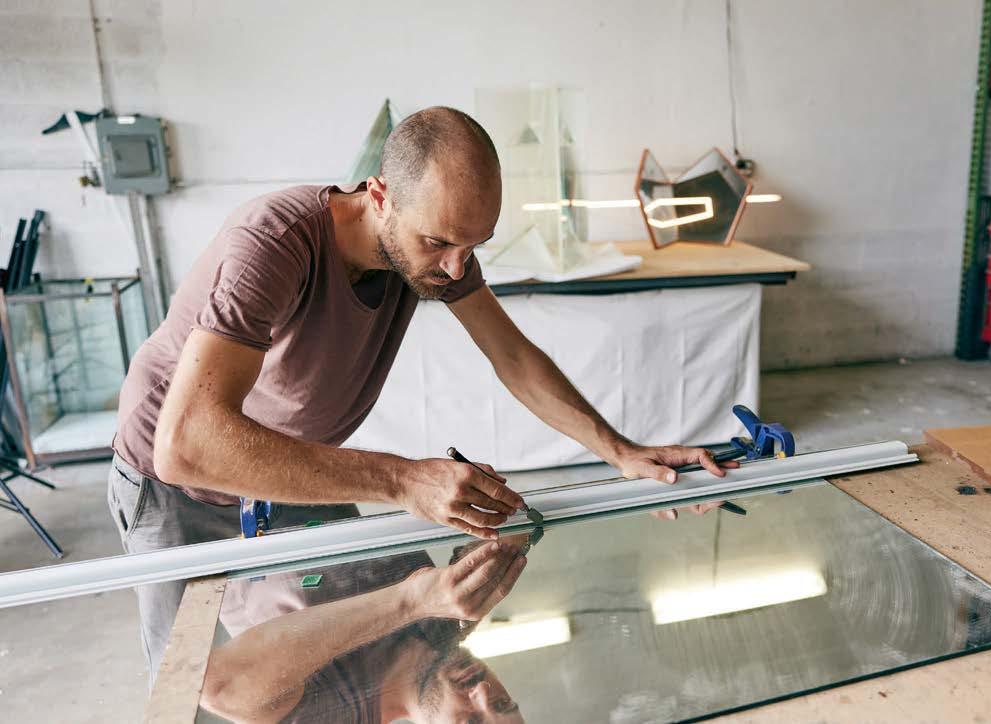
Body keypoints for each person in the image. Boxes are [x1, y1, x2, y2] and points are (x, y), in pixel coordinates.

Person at [107, 106, 733, 680]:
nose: (457, 267)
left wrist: (619, 451)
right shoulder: (274, 242)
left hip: (289, 469)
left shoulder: (439, 251)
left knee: (358, 650)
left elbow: (513, 356)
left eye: (474, 246)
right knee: (192, 682)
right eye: (438, 243)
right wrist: (405, 481)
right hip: (173, 486)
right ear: (379, 196)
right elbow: (186, 446)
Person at [201, 536, 529, 723]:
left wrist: (409, 602)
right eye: (503, 704)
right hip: (286, 455)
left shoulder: (340, 713)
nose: (483, 691)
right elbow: (509, 526)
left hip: (198, 516)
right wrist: (504, 548)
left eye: (473, 722)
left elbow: (217, 686)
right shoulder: (447, 623)